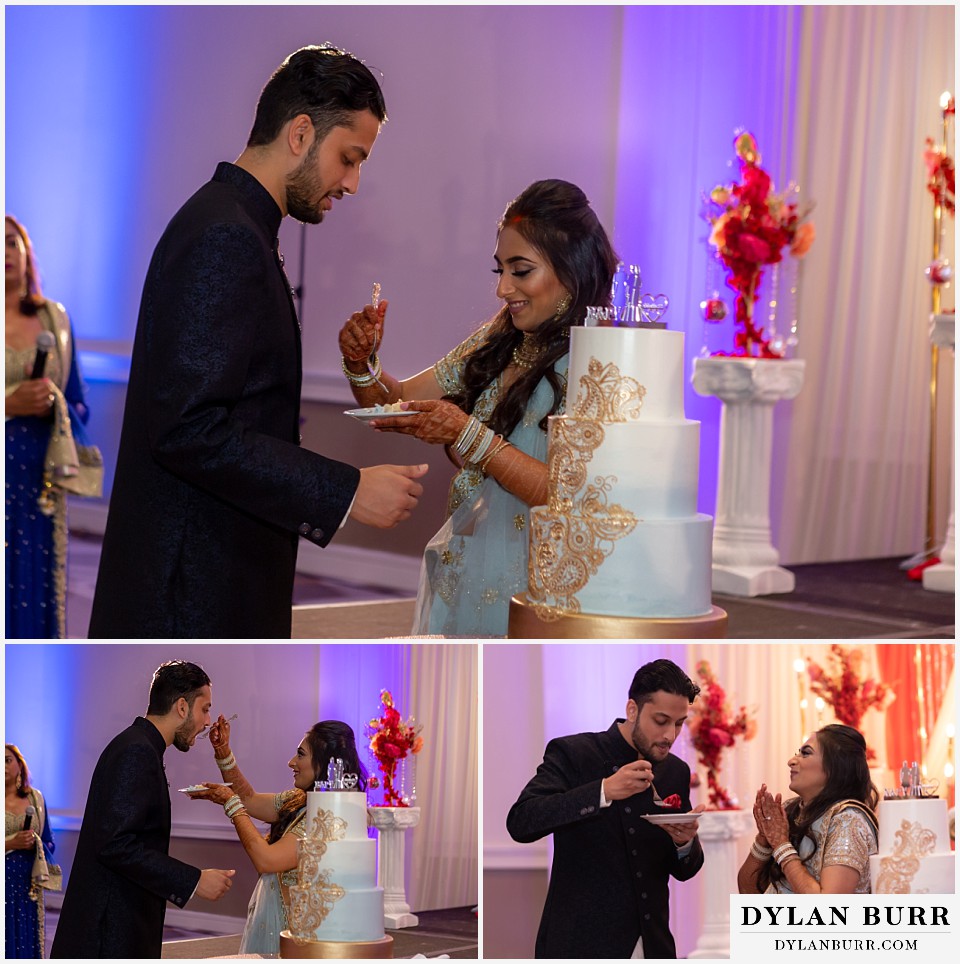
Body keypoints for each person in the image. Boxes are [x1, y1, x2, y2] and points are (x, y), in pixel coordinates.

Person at [88, 44, 427, 639]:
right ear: (301, 133)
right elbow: (188, 427)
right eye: (349, 159)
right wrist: (344, 491)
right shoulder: (226, 235)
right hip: (188, 587)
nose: (351, 183)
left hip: (208, 565)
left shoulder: (237, 224)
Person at [338, 179, 619, 636]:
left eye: (521, 270)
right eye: (499, 271)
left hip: (534, 583)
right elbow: (397, 405)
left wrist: (466, 433)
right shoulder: (501, 337)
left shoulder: (598, 362)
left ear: (571, 271)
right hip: (466, 564)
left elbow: (569, 496)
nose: (503, 289)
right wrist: (360, 364)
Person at [506, 659, 705, 959]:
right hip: (580, 946)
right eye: (661, 721)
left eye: (679, 724)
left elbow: (685, 871)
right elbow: (520, 821)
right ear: (632, 710)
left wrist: (684, 842)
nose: (670, 735)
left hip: (653, 947)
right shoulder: (575, 753)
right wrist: (602, 791)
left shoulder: (676, 771)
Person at [50, 661, 235, 959]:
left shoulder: (138, 744)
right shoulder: (137, 751)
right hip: (109, 929)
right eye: (205, 709)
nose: (208, 721)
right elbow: (116, 845)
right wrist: (194, 880)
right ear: (182, 708)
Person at [190, 716, 368, 955]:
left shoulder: (329, 818)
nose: (291, 762)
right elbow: (250, 800)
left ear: (324, 763)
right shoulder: (299, 800)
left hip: (291, 930)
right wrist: (223, 752)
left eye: (301, 754)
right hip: (270, 914)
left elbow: (268, 860)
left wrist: (231, 805)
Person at [5, 215, 102, 638]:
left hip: (41, 477)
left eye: (12, 242)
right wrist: (9, 402)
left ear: (27, 254)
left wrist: (54, 406)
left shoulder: (55, 321)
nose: (6, 253)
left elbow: (80, 402)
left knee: (36, 581)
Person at [737, 723, 879, 894]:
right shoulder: (791, 811)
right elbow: (748, 893)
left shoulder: (848, 820)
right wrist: (764, 837)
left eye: (805, 753)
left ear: (834, 767)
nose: (791, 761)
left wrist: (782, 845)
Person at [5, 744, 56, 958]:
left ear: (19, 764)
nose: (3, 766)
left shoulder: (36, 799)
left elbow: (49, 842)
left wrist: (34, 843)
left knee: (28, 932)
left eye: (7, 760)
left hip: (29, 881)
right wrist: (10, 844)